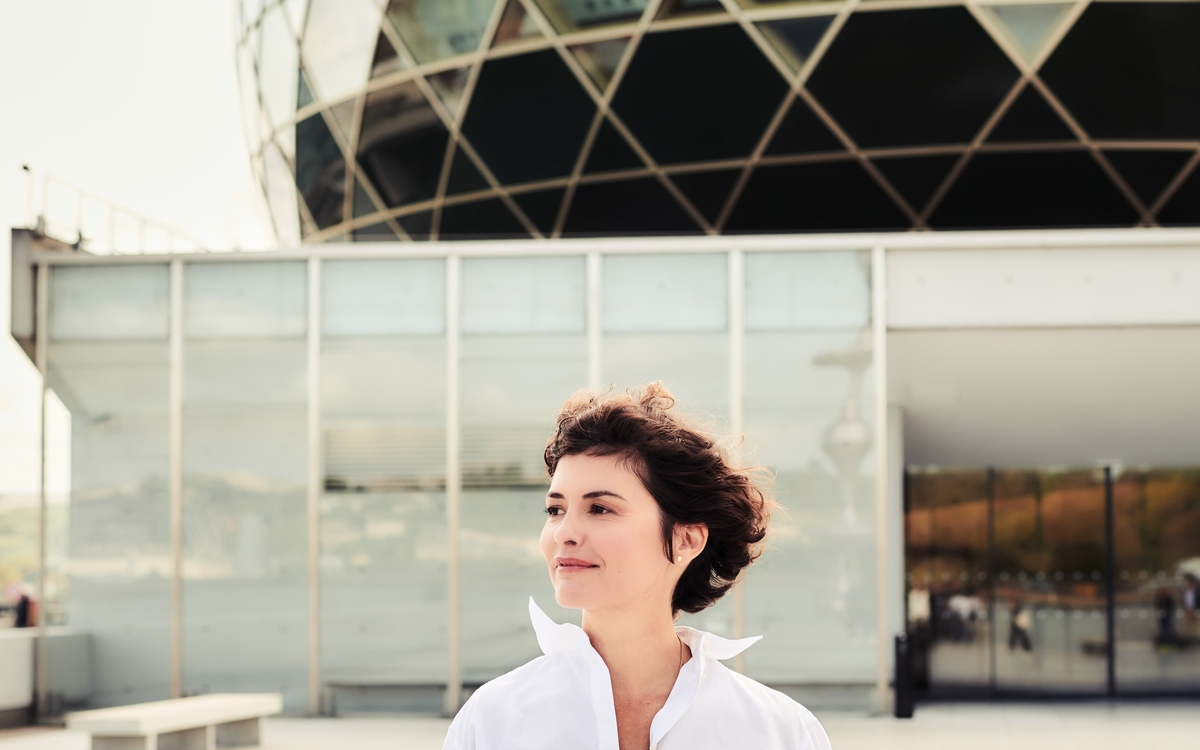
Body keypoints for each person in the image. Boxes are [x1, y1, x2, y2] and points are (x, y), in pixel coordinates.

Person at [443, 384, 832, 750]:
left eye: (600, 508)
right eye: (555, 509)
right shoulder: (492, 722)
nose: (565, 532)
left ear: (687, 539)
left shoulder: (779, 732)